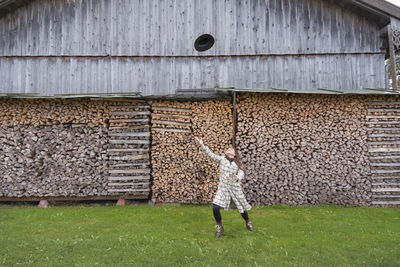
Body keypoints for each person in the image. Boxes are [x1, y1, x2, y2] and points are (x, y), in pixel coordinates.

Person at [194, 136, 254, 238]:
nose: (229, 150)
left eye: (231, 149)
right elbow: (211, 155)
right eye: (228, 149)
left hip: (235, 189)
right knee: (215, 207)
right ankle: (220, 227)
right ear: (226, 153)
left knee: (242, 208)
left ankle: (248, 222)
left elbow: (242, 172)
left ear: (234, 154)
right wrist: (202, 145)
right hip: (223, 189)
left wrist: (238, 177)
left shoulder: (238, 163)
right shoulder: (221, 159)